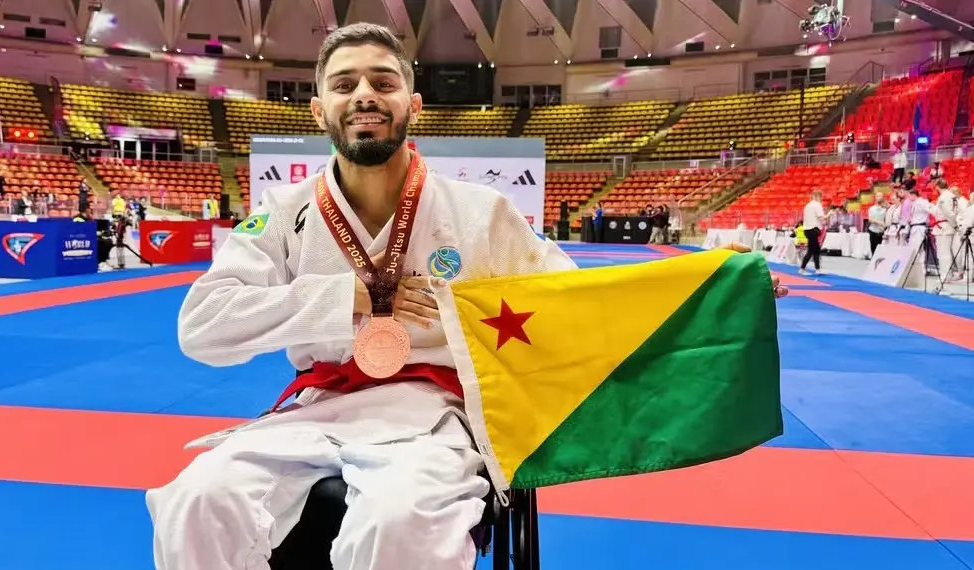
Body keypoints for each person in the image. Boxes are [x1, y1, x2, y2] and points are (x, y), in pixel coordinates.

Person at [145, 23, 787, 570]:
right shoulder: (283, 214)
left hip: (432, 420)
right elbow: (202, 327)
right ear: (318, 110)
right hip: (316, 408)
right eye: (344, 84)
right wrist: (350, 296)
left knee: (401, 523)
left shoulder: (481, 213)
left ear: (413, 103)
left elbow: (582, 298)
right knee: (197, 497)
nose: (364, 94)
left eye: (382, 82)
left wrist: (713, 286)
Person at [799, 190, 826, 275]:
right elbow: (822, 218)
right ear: (818, 196)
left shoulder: (807, 205)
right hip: (813, 229)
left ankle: (816, 268)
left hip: (807, 229)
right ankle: (806, 268)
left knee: (813, 250)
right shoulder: (817, 205)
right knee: (814, 250)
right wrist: (829, 214)